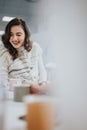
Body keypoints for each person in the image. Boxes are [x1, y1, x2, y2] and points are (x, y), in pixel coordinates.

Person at [0, 17, 47, 94]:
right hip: (15, 94)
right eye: (11, 35)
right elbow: (2, 81)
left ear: (26, 35)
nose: (14, 39)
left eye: (18, 34)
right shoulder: (4, 53)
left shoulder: (35, 48)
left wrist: (42, 85)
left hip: (36, 93)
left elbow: (42, 71)